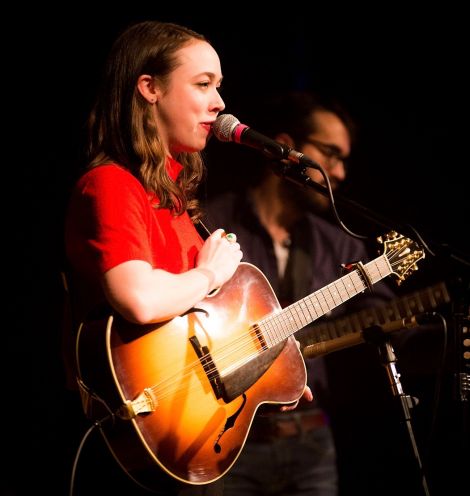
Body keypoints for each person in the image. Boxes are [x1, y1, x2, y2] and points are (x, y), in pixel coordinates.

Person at [61, 20, 312, 496]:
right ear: (149, 88)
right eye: (203, 85)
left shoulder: (170, 196)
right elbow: (136, 300)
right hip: (131, 435)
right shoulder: (112, 185)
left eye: (218, 86)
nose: (220, 103)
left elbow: (194, 330)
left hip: (184, 426)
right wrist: (209, 272)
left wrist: (262, 374)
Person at [203, 90, 397, 495]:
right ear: (287, 148)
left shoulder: (342, 245)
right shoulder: (213, 222)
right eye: (330, 153)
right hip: (222, 436)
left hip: (312, 440)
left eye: (343, 159)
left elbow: (386, 319)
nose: (339, 173)